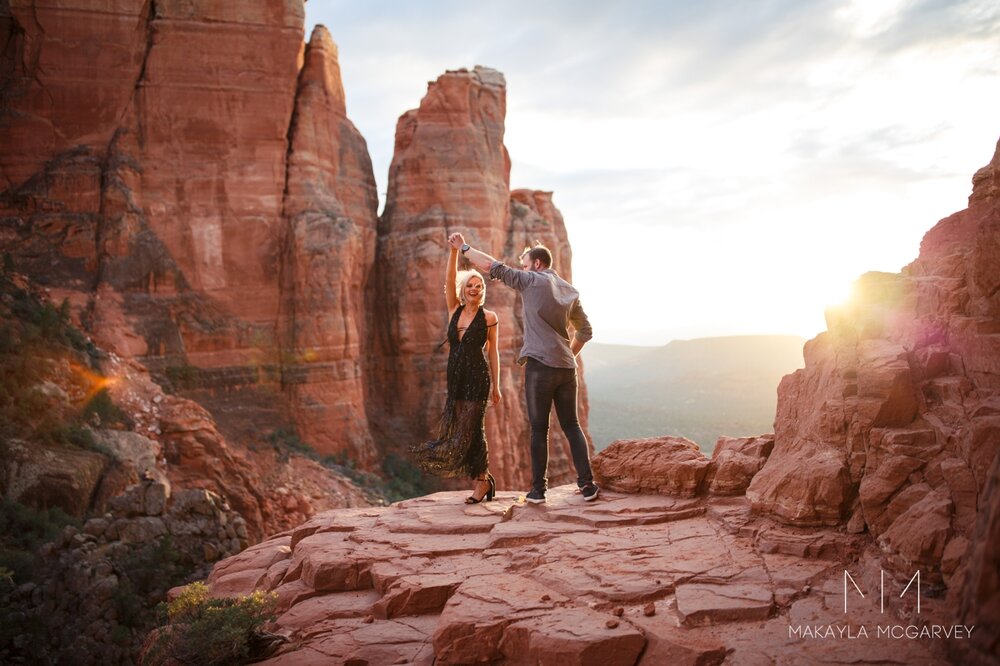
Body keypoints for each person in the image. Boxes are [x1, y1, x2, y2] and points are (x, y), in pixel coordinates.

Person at [448, 232, 598, 504]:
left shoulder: (530, 281)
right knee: (572, 426)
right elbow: (585, 331)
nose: (524, 268)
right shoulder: (570, 290)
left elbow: (491, 266)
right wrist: (569, 355)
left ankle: (538, 491)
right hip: (566, 368)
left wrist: (464, 247)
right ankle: (587, 485)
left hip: (540, 368)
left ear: (537, 264)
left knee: (539, 429)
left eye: (526, 264)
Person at [408, 236, 502, 503]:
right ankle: (484, 479)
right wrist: (453, 252)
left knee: (467, 431)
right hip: (456, 379)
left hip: (477, 379)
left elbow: (493, 352)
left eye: (479, 284)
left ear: (483, 289)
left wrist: (497, 385)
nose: (475, 288)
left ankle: (482, 481)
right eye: (470, 285)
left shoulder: (490, 318)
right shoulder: (454, 311)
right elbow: (449, 281)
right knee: (470, 429)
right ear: (464, 289)